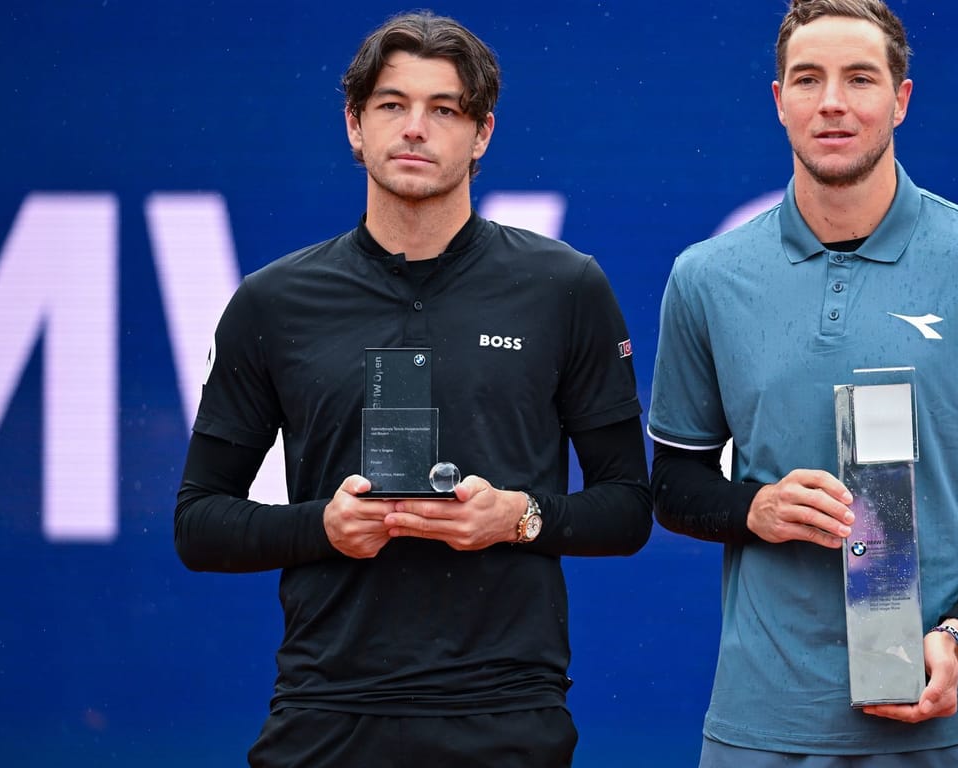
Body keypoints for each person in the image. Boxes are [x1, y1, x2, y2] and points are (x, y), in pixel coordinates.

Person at [173, 11, 651, 767]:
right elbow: (198, 522)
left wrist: (516, 517)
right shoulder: (274, 302)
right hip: (326, 709)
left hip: (506, 710)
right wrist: (321, 529)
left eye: (445, 109)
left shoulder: (565, 287)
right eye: (392, 105)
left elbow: (627, 507)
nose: (416, 128)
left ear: (482, 133)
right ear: (355, 126)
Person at [648, 0, 958, 765]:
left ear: (901, 99)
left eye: (859, 78)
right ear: (778, 100)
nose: (832, 102)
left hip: (951, 717)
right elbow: (674, 483)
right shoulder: (706, 277)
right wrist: (755, 506)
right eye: (807, 79)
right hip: (766, 723)